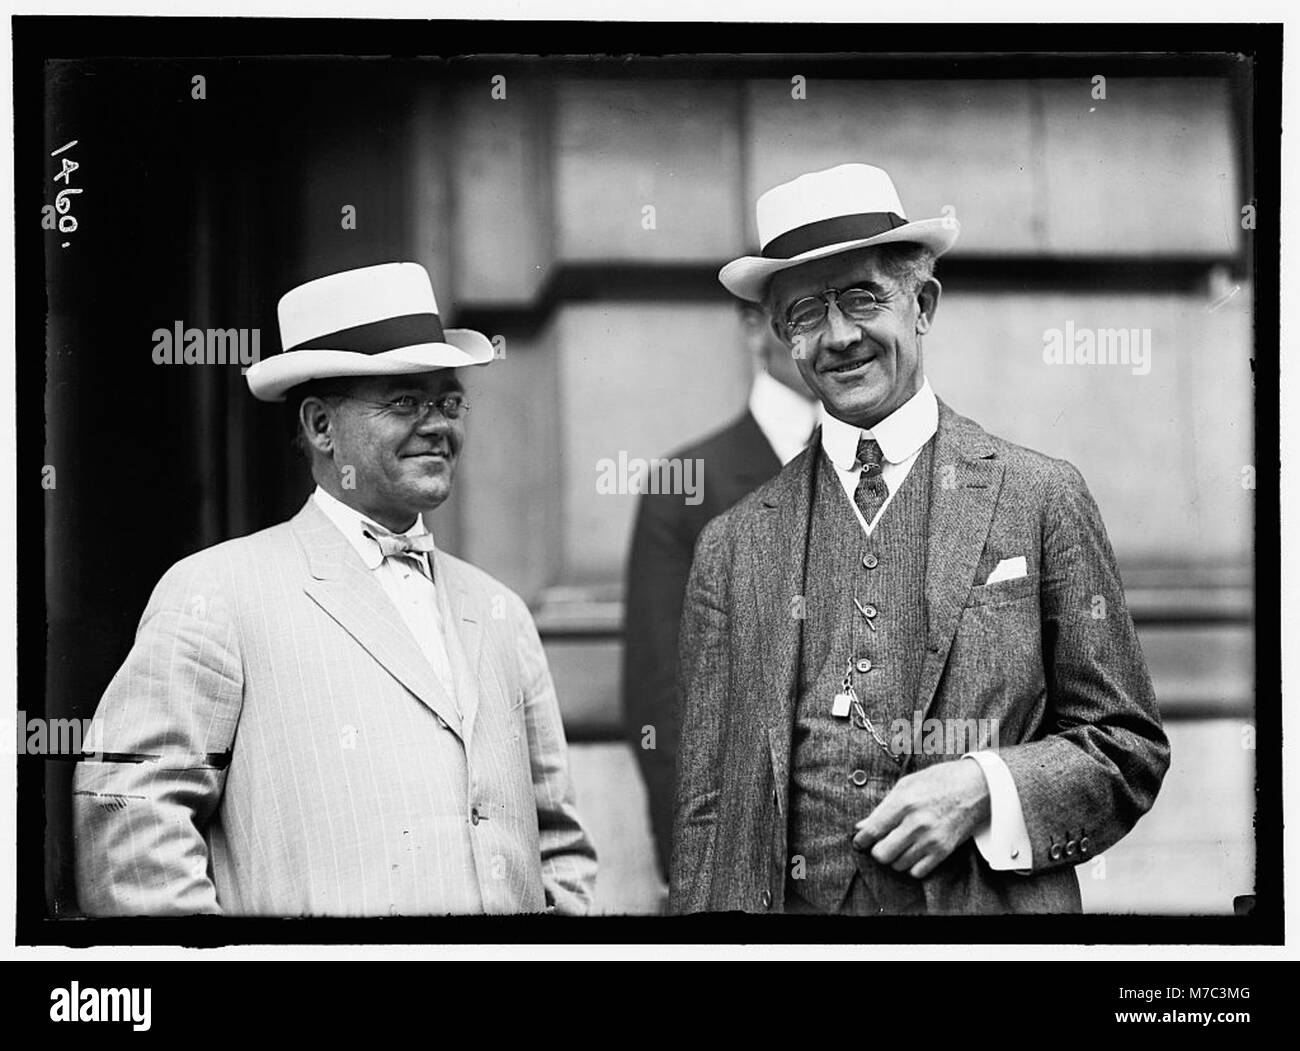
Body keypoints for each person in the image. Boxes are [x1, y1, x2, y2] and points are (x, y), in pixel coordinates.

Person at [670, 164, 1169, 915]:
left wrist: (984, 787)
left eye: (862, 297)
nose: (839, 336)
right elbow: (705, 811)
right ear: (782, 335)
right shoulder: (732, 546)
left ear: (923, 303)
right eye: (806, 311)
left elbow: (1127, 746)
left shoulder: (1041, 496)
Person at [74, 261, 597, 916]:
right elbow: (129, 816)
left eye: (450, 401)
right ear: (321, 426)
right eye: (405, 401)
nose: (439, 424)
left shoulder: (500, 611)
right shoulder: (218, 592)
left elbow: (560, 839)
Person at [623, 300, 817, 883]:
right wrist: (696, 866)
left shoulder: (890, 471)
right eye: (802, 311)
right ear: (755, 326)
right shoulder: (686, 485)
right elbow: (661, 693)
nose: (834, 336)